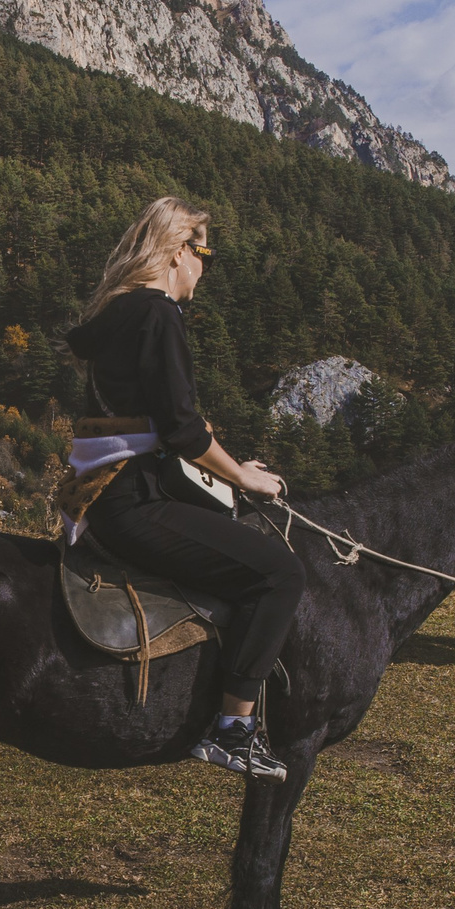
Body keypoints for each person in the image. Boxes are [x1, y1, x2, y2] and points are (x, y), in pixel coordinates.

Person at [64, 198, 304, 781]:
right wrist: (243, 475)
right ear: (178, 252)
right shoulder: (159, 314)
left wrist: (223, 464)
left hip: (104, 493)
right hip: (134, 501)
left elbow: (149, 429)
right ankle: (233, 729)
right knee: (281, 574)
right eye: (206, 254)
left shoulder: (115, 314)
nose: (205, 268)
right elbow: (181, 429)